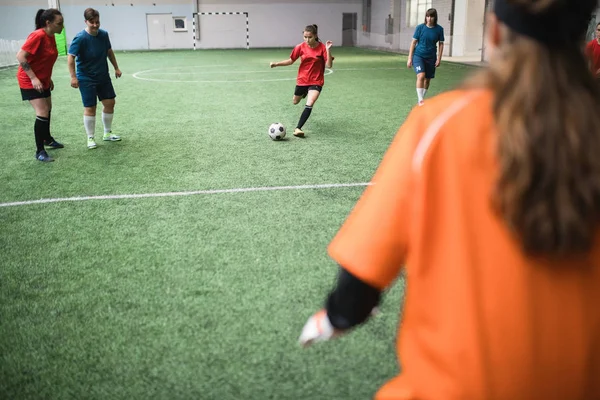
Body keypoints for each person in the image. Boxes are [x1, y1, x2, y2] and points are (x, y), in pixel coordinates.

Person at [299, 0, 600, 399]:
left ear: (494, 33)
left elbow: (367, 265)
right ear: (585, 38)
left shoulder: (439, 125)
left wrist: (337, 315)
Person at [67, 8, 122, 150]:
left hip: (103, 76)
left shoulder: (103, 35)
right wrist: (73, 77)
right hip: (86, 78)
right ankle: (90, 137)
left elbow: (109, 51)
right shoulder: (80, 38)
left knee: (110, 102)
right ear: (86, 21)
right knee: (90, 108)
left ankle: (107, 133)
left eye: (97, 22)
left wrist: (116, 67)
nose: (95, 25)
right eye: (92, 22)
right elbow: (71, 58)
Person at [16, 8, 65, 162]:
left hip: (43, 80)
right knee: (42, 112)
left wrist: (47, 79)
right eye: (59, 24)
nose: (62, 27)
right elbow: (20, 56)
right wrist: (33, 78)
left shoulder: (50, 36)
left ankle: (47, 139)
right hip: (29, 80)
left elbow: (44, 60)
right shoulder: (38, 35)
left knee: (48, 108)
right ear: (48, 23)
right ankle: (40, 151)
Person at [270, 25, 333, 138]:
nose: (307, 40)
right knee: (295, 101)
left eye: (310, 37)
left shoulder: (322, 48)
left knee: (310, 103)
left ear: (315, 36)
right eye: (305, 37)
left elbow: (329, 65)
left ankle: (298, 128)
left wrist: (328, 50)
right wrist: (276, 64)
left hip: (316, 81)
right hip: (302, 80)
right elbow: (291, 60)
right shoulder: (300, 47)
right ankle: (304, 93)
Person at [407, 8, 444, 106]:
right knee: (421, 76)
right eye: (427, 16)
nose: (429, 18)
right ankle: (420, 100)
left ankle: (422, 98)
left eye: (431, 16)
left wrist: (439, 58)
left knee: (427, 80)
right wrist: (410, 58)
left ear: (435, 17)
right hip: (418, 56)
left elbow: (441, 44)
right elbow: (413, 43)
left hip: (431, 57)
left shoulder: (439, 29)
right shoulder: (420, 28)